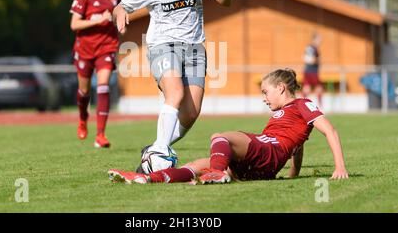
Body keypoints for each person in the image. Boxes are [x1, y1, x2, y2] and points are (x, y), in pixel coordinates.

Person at [113, 0, 232, 167]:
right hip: (162, 45)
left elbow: (225, 1)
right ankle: (159, 151)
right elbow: (121, 6)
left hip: (195, 49)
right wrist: (121, 16)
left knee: (191, 112)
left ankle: (156, 147)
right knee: (175, 94)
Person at [108, 68, 349, 184]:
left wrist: (339, 167)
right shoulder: (287, 114)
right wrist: (293, 174)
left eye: (266, 92)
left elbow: (330, 130)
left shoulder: (302, 104)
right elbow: (298, 144)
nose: (264, 98)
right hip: (261, 164)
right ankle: (147, 178)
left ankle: (219, 173)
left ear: (281, 88)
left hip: (268, 152)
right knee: (195, 166)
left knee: (220, 137)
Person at [69, 0, 121, 148]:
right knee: (84, 92)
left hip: (106, 47)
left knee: (103, 86)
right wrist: (97, 20)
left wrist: (120, 22)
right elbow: (74, 24)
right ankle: (83, 118)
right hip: (84, 50)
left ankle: (101, 135)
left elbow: (121, 15)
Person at [302, 33, 324, 107]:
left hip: (311, 71)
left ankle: (302, 105)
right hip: (311, 71)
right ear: (314, 39)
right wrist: (318, 60)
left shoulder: (313, 48)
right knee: (318, 88)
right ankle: (320, 107)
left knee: (307, 88)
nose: (320, 41)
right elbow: (308, 59)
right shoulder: (311, 48)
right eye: (319, 39)